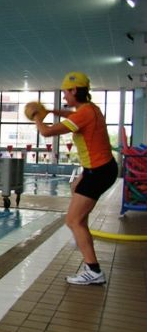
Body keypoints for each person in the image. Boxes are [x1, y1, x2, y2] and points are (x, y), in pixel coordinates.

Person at [31, 71, 117, 285]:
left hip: (98, 172)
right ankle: (81, 236)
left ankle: (94, 271)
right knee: (74, 187)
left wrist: (37, 118)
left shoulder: (84, 114)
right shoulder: (90, 109)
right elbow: (71, 116)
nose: (65, 98)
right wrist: (51, 110)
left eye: (66, 93)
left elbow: (47, 133)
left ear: (74, 90)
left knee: (72, 220)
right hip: (97, 169)